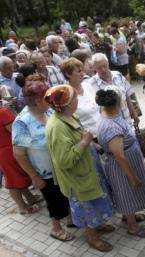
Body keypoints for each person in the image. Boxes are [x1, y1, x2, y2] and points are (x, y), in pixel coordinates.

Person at [44, 85, 114, 252]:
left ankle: (98, 226)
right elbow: (64, 160)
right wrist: (84, 142)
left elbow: (82, 135)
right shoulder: (56, 127)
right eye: (74, 98)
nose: (77, 100)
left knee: (95, 201)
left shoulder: (69, 115)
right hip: (77, 179)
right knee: (86, 207)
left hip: (88, 170)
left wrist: (92, 144)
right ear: (66, 103)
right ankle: (92, 237)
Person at [12, 75, 74, 241]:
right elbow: (19, 154)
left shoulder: (49, 110)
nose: (50, 98)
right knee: (54, 201)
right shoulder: (23, 122)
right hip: (45, 173)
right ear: (38, 100)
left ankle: (70, 218)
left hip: (62, 166)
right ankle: (56, 228)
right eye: (46, 96)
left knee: (66, 194)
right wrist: (34, 177)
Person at [96, 89, 145, 237]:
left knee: (129, 193)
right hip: (122, 167)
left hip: (128, 161)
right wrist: (132, 177)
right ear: (117, 104)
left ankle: (129, 216)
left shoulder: (109, 113)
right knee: (126, 193)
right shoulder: (111, 127)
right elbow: (119, 156)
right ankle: (132, 227)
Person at [0, 103, 42, 215]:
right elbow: (15, 132)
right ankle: (22, 207)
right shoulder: (3, 112)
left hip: (4, 152)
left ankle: (30, 198)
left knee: (17, 178)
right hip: (9, 151)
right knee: (13, 181)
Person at [88, 53, 139, 124]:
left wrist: (134, 113)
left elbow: (127, 96)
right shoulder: (91, 83)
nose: (103, 69)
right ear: (94, 68)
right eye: (99, 67)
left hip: (127, 121)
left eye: (105, 66)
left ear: (108, 63)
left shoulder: (118, 75)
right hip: (111, 126)